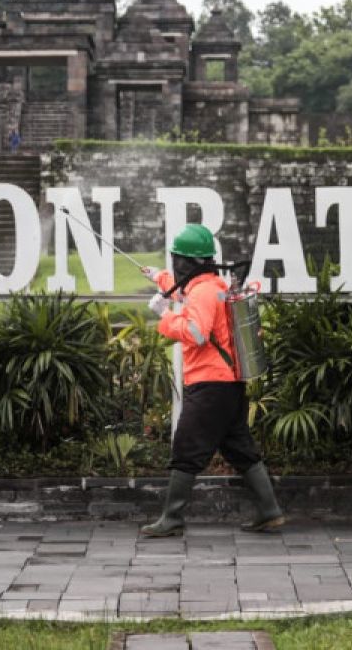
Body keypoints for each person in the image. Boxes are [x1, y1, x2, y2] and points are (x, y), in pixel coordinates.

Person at [138, 223, 284, 537]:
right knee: (239, 448)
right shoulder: (211, 284)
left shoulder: (203, 293)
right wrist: (158, 277)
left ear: (187, 262)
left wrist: (165, 315)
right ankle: (270, 511)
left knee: (186, 446)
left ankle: (172, 518)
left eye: (177, 259)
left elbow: (195, 333)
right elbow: (183, 289)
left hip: (210, 385)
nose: (175, 264)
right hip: (229, 384)